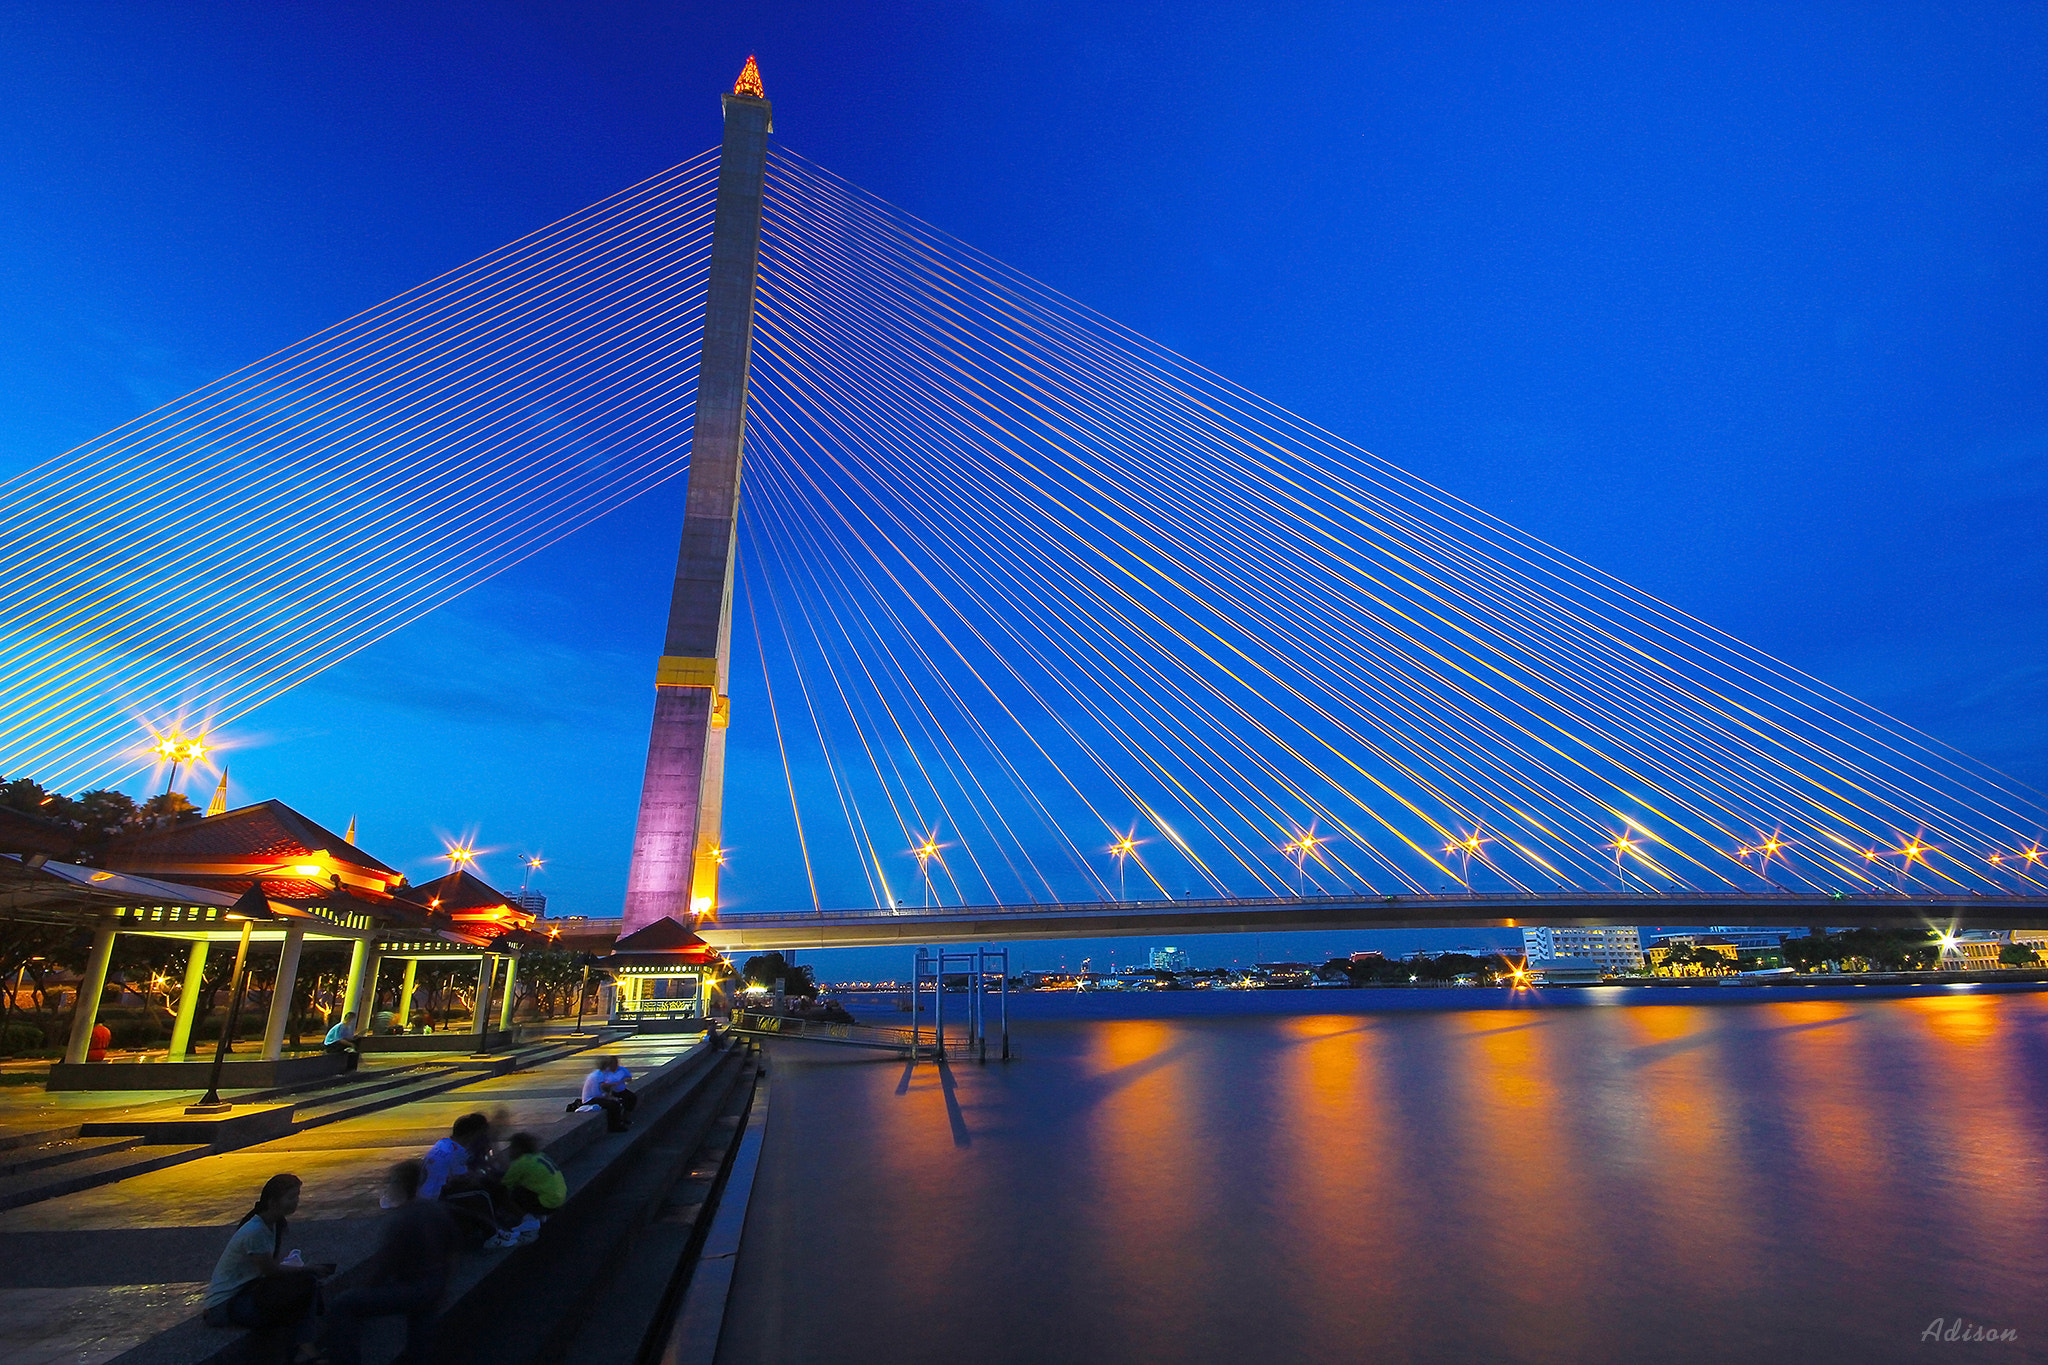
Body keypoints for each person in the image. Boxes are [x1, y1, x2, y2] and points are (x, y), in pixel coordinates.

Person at [314, 1160, 459, 1365]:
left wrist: (364, 1288)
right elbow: (452, 1251)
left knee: (343, 1304)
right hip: (434, 1283)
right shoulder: (435, 1210)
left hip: (413, 1288)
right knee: (421, 1331)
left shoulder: (402, 1219)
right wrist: (444, 1285)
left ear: (399, 1184)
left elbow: (386, 1265)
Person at [203, 1173, 333, 1332]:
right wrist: (308, 1268)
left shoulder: (273, 1224)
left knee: (306, 1286)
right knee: (301, 1293)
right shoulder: (255, 1231)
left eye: (297, 1196)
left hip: (246, 1292)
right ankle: (305, 1347)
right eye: (291, 1197)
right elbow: (270, 1270)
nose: (296, 1202)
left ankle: (305, 1345)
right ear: (273, 1202)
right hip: (225, 1305)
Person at [421, 1113, 508, 1244]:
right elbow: (466, 1178)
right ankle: (492, 1236)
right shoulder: (459, 1151)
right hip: (437, 1197)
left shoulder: (442, 1143)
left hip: (426, 1193)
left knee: (478, 1187)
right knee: (481, 1193)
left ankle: (490, 1226)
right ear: (470, 1135)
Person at [496, 1132, 564, 1244]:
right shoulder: (540, 1156)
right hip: (558, 1199)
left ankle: (529, 1221)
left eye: (511, 1147)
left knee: (503, 1193)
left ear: (518, 1148)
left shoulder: (521, 1162)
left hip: (546, 1203)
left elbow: (504, 1184)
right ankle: (540, 1216)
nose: (510, 1151)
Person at [575, 1055, 636, 1132]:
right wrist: (608, 1097)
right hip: (590, 1099)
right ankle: (614, 1127)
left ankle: (619, 1122)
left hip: (595, 1097)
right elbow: (596, 1093)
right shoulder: (597, 1075)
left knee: (617, 1102)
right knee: (613, 1105)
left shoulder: (600, 1074)